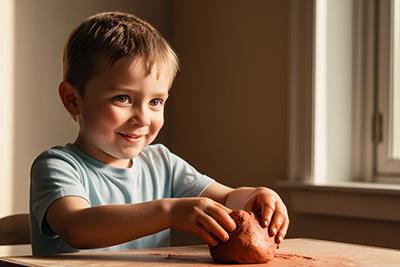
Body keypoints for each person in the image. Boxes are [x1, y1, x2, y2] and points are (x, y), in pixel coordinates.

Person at [30, 11, 289, 256]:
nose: (143, 117)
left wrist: (254, 196)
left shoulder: (162, 163)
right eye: (123, 98)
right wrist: (169, 213)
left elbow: (227, 198)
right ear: (72, 100)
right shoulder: (57, 166)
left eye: (155, 102)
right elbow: (78, 228)